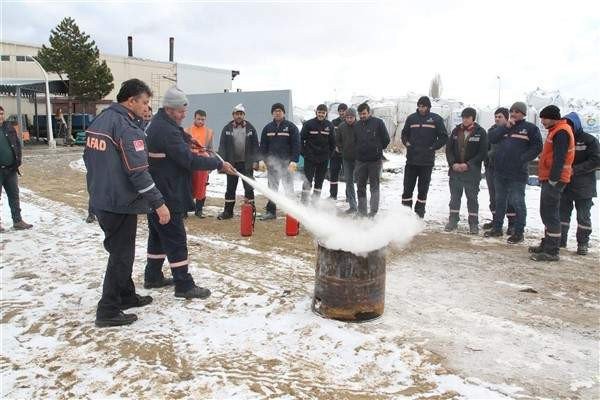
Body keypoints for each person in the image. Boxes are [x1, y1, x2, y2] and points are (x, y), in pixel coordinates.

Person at [84, 79, 168, 327]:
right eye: (144, 102)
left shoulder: (101, 120)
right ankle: (108, 310)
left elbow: (88, 159)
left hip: (101, 197)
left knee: (120, 251)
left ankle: (126, 295)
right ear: (130, 101)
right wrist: (159, 203)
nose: (146, 107)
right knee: (121, 256)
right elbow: (138, 172)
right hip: (119, 201)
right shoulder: (126, 128)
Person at [144, 86, 235, 298]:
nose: (184, 114)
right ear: (168, 109)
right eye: (180, 111)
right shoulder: (166, 130)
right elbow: (189, 160)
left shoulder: (160, 124)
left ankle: (153, 276)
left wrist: (187, 139)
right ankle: (184, 285)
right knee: (176, 238)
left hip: (157, 191)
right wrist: (217, 164)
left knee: (158, 236)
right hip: (168, 192)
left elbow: (175, 139)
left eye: (185, 110)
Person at [484, 101, 543, 243]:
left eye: (517, 111)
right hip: (500, 171)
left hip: (517, 173)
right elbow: (491, 138)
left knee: (517, 202)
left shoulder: (530, 128)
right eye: (512, 111)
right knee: (500, 201)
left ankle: (518, 232)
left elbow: (537, 147)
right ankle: (497, 228)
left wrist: (522, 159)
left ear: (523, 114)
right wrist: (505, 127)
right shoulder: (503, 127)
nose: (513, 114)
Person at [528, 106, 575, 261]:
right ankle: (547, 244)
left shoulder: (561, 132)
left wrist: (554, 179)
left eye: (544, 118)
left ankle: (552, 251)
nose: (542, 121)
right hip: (551, 178)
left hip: (555, 179)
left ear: (552, 117)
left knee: (550, 214)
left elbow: (559, 158)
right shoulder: (557, 130)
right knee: (546, 212)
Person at [558, 112, 600, 255]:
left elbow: (596, 160)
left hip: (584, 186)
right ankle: (560, 240)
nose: (567, 126)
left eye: (569, 123)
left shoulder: (589, 140)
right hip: (565, 184)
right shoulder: (563, 138)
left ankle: (583, 243)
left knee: (583, 216)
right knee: (562, 214)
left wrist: (575, 170)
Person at [401, 96, 448, 218]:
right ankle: (405, 215)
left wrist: (433, 147)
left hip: (426, 162)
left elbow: (444, 137)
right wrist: (407, 144)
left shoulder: (436, 119)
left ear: (428, 107)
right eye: (419, 106)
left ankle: (419, 215)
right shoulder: (411, 118)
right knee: (407, 189)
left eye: (424, 106)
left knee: (423, 190)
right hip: (411, 161)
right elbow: (404, 134)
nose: (421, 108)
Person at [444, 107, 488, 234]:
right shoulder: (456, 131)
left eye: (467, 118)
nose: (465, 120)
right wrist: (453, 164)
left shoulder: (480, 132)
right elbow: (449, 150)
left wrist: (468, 165)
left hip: (472, 173)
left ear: (473, 118)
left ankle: (473, 223)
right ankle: (453, 220)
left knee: (472, 198)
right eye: (463, 117)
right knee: (454, 197)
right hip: (455, 172)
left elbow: (482, 153)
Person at [217, 104, 260, 220]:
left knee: (249, 188)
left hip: (247, 164)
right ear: (233, 115)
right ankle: (228, 212)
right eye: (237, 114)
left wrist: (256, 161)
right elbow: (222, 147)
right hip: (231, 164)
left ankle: (251, 212)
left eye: (241, 114)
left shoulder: (251, 128)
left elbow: (256, 146)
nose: (239, 116)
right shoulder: (227, 128)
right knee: (230, 188)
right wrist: (221, 164)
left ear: (244, 115)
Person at [259, 102, 300, 220]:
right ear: (272, 113)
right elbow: (263, 146)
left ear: (284, 113)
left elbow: (296, 145)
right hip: (272, 165)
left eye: (280, 111)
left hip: (287, 164)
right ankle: (271, 212)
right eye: (275, 111)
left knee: (288, 188)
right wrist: (262, 160)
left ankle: (292, 212)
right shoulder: (267, 128)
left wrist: (294, 161)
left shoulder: (291, 127)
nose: (277, 113)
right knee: (272, 189)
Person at [483, 107, 516, 233]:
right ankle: (496, 220)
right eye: (496, 116)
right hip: (491, 168)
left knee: (509, 197)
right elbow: (486, 147)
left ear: (506, 118)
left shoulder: (512, 131)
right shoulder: (491, 130)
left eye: (500, 116)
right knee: (493, 196)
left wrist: (491, 154)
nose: (497, 119)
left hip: (506, 169)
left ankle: (512, 223)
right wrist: (486, 159)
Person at [0, 106, 33, 232]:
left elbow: (17, 144)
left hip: (11, 169)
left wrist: (17, 161)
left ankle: (17, 221)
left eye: (2, 113)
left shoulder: (8, 127)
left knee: (14, 195)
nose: (1, 116)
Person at [354, 103, 390, 217]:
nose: (362, 116)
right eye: (360, 114)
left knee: (374, 186)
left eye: (364, 113)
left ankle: (373, 212)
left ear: (369, 112)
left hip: (375, 161)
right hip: (361, 161)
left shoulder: (378, 123)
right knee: (360, 186)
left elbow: (386, 139)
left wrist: (377, 149)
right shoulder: (357, 125)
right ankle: (362, 212)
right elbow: (355, 140)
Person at [300, 104, 335, 203]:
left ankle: (315, 202)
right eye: (319, 112)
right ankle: (304, 202)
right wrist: (304, 154)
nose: (321, 114)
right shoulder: (308, 124)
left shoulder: (329, 125)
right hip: (310, 158)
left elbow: (333, 142)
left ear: (326, 113)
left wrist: (329, 155)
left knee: (319, 181)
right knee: (307, 181)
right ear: (316, 112)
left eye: (323, 113)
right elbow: (301, 140)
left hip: (323, 159)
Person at [185, 109, 214, 218]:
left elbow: (211, 149)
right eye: (199, 119)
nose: (201, 121)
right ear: (194, 118)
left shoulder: (209, 132)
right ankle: (184, 210)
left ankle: (199, 210)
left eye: (203, 119)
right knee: (187, 185)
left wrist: (211, 163)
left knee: (202, 186)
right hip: (190, 161)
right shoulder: (186, 131)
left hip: (203, 162)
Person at [336, 107, 358, 213]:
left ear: (355, 117)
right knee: (349, 181)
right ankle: (353, 206)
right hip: (346, 159)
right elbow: (338, 140)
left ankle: (361, 206)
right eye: (347, 117)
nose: (349, 119)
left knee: (360, 182)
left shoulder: (359, 126)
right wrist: (341, 149)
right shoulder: (341, 127)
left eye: (351, 117)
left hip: (359, 159)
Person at [329, 103, 347, 199]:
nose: (342, 113)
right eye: (340, 111)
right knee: (333, 173)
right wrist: (334, 146)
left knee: (348, 175)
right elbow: (331, 137)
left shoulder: (350, 121)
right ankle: (333, 195)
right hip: (335, 153)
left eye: (343, 111)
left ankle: (349, 196)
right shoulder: (334, 122)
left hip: (347, 153)